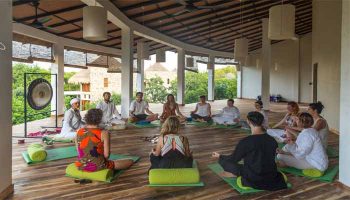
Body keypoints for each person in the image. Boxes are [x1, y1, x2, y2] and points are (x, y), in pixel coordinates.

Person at [212, 112, 287, 191]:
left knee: (224, 161)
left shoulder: (246, 141)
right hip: (271, 175)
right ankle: (233, 173)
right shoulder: (272, 140)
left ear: (248, 121)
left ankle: (233, 173)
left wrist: (220, 156)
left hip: (253, 177)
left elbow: (234, 159)